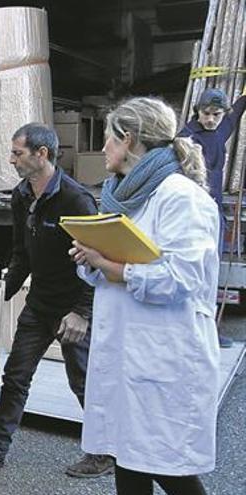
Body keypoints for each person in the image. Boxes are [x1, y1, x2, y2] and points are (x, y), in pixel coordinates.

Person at [70, 97, 220, 495]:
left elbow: (180, 278)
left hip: (164, 354)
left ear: (129, 140)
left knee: (169, 468)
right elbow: (109, 267)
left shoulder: (181, 198)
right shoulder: (122, 195)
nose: (102, 149)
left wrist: (109, 266)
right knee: (127, 457)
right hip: (126, 352)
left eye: (107, 139)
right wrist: (90, 258)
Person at [0, 123, 113, 477]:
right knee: (16, 376)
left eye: (17, 153)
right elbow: (21, 252)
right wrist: (0, 293)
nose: (11, 160)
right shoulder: (22, 195)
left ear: (42, 154)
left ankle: (104, 453)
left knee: (82, 381)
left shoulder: (75, 199)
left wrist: (82, 312)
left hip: (71, 310)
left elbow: (95, 259)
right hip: (39, 306)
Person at [177, 87, 245, 348]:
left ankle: (207, 331)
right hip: (193, 214)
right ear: (198, 111)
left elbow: (237, 111)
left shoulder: (220, 130)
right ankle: (190, 332)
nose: (211, 119)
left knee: (210, 275)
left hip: (214, 212)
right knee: (194, 274)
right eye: (206, 114)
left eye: (216, 114)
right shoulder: (186, 138)